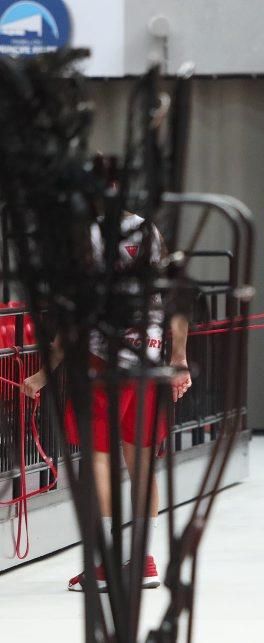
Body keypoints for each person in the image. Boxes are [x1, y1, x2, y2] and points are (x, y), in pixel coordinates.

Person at [23, 211, 192, 591]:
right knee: (142, 459)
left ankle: (103, 565)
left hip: (104, 362)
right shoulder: (148, 229)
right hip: (149, 358)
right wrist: (179, 361)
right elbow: (178, 304)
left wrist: (42, 374)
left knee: (98, 458)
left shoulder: (89, 236)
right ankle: (144, 560)